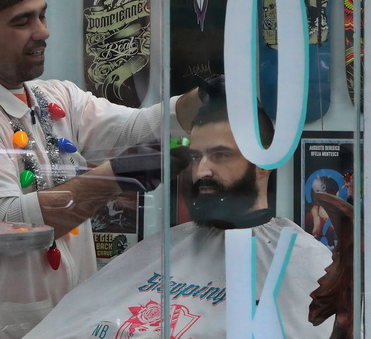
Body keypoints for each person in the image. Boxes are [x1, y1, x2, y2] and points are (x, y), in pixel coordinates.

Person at [0, 0, 201, 337]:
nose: (43, 32)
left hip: (70, 322)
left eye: (42, 14)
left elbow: (136, 127)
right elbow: (6, 222)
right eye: (22, 22)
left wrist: (200, 101)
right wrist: (114, 177)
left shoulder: (56, 97)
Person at [24, 91, 334, 338]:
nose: (201, 171)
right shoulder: (160, 251)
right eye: (196, 156)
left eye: (221, 155)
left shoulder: (310, 264)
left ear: (264, 162)